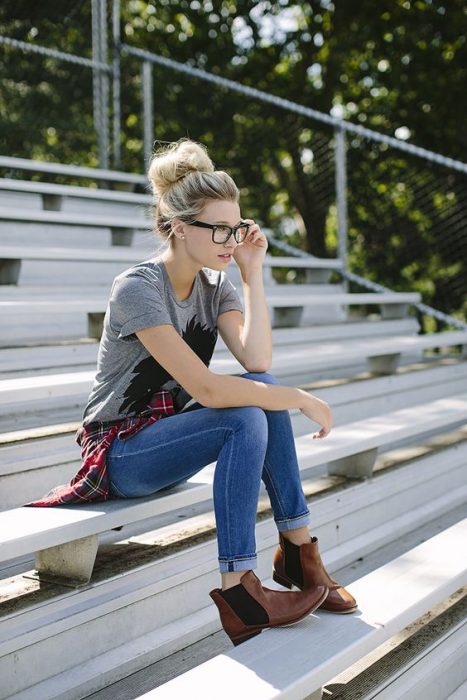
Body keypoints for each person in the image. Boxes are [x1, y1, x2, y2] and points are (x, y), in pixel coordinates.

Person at [28, 139, 357, 646]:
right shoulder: (138, 287)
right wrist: (300, 397)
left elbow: (257, 362)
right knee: (248, 411)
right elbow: (203, 386)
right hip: (121, 452)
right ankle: (241, 587)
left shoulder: (217, 284)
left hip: (169, 438)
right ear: (179, 227)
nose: (232, 239)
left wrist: (252, 273)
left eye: (237, 227)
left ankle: (298, 553)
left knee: (258, 390)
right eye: (220, 229)